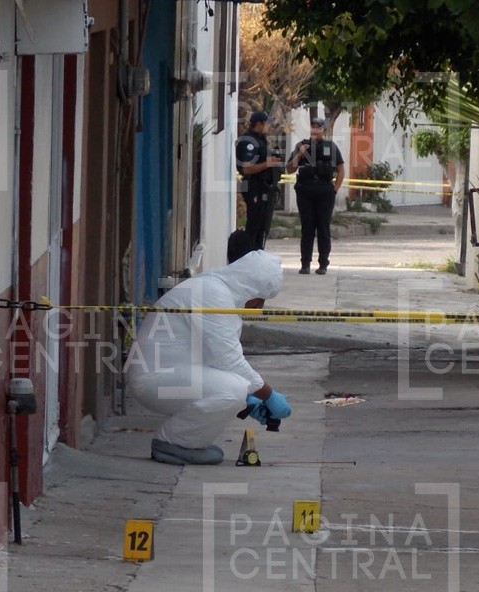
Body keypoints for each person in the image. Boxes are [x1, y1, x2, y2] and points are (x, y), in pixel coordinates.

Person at [126, 231, 292, 465]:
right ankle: (173, 442)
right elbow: (229, 360)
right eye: (261, 299)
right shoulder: (213, 294)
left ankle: (184, 441)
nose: (259, 307)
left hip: (168, 374)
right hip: (153, 379)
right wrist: (267, 394)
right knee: (232, 390)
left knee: (236, 389)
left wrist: (249, 400)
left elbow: (216, 358)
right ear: (249, 288)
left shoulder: (218, 290)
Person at [287, 117, 345, 275]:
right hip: (305, 190)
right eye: (312, 127)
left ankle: (323, 264)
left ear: (323, 130)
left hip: (325, 191)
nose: (315, 130)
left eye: (318, 127)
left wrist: (335, 189)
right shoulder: (302, 145)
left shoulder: (331, 147)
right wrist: (300, 154)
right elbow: (290, 168)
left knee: (323, 228)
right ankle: (305, 264)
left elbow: (341, 169)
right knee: (307, 228)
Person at [236, 111, 284, 249]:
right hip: (254, 187)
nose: (269, 126)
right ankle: (251, 255)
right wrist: (267, 164)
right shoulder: (248, 141)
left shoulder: (260, 140)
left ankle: (257, 252)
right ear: (259, 124)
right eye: (267, 123)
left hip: (265, 188)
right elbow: (247, 168)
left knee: (263, 227)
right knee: (254, 226)